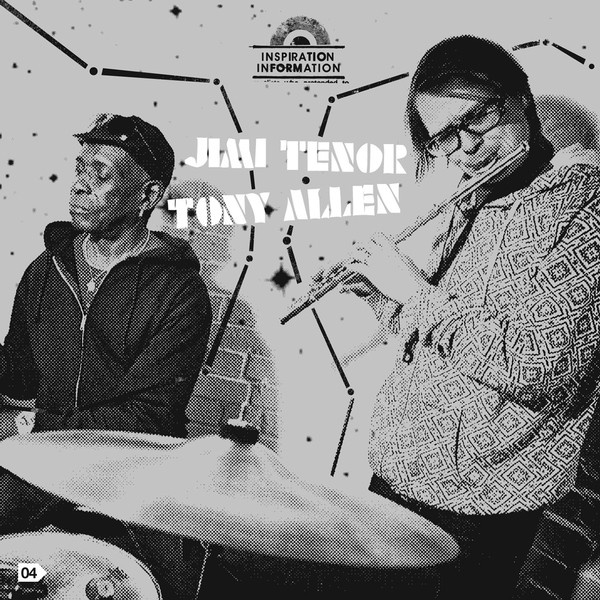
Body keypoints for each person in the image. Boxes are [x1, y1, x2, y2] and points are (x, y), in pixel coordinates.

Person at [337, 35, 600, 599]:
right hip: (399, 479)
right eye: (444, 138)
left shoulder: (585, 208)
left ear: (519, 97)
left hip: (479, 502)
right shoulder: (472, 197)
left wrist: (414, 290)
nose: (467, 149)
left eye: (476, 118)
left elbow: (536, 368)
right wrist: (381, 297)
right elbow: (443, 342)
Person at [0, 113, 212, 599]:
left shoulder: (180, 292)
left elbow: (150, 417)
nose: (79, 186)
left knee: (149, 585)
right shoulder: (45, 270)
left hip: (133, 473)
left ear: (148, 195)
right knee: (29, 577)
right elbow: (18, 378)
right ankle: (31, 579)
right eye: (79, 169)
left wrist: (35, 426)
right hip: (44, 464)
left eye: (100, 174)